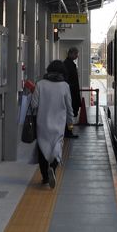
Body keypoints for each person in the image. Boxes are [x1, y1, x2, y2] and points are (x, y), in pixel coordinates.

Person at [30, 60, 73, 188]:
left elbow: (34, 105)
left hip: (42, 123)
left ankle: (44, 177)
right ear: (62, 72)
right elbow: (69, 107)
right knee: (57, 146)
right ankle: (52, 170)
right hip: (59, 123)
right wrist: (70, 123)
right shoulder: (65, 86)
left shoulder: (40, 84)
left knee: (43, 149)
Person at [63, 47, 80, 138]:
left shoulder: (69, 64)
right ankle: (69, 131)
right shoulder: (67, 64)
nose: (77, 56)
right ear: (70, 53)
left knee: (70, 114)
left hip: (72, 92)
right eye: (76, 54)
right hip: (71, 93)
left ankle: (69, 130)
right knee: (70, 115)